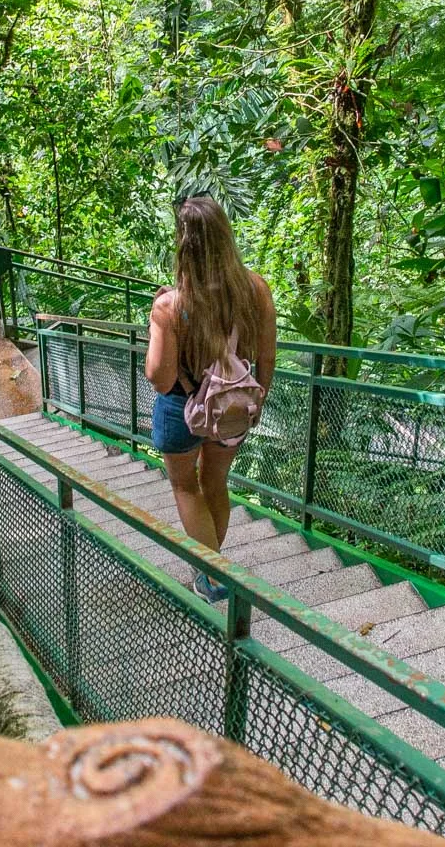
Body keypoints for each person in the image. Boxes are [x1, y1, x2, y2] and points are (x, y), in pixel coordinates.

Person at [144, 194, 277, 603]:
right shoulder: (255, 290)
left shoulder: (170, 305)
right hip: (233, 405)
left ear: (183, 244)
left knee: (187, 488)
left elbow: (160, 378)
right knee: (216, 482)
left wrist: (160, 322)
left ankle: (212, 575)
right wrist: (258, 399)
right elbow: (266, 354)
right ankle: (214, 570)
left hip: (181, 407)